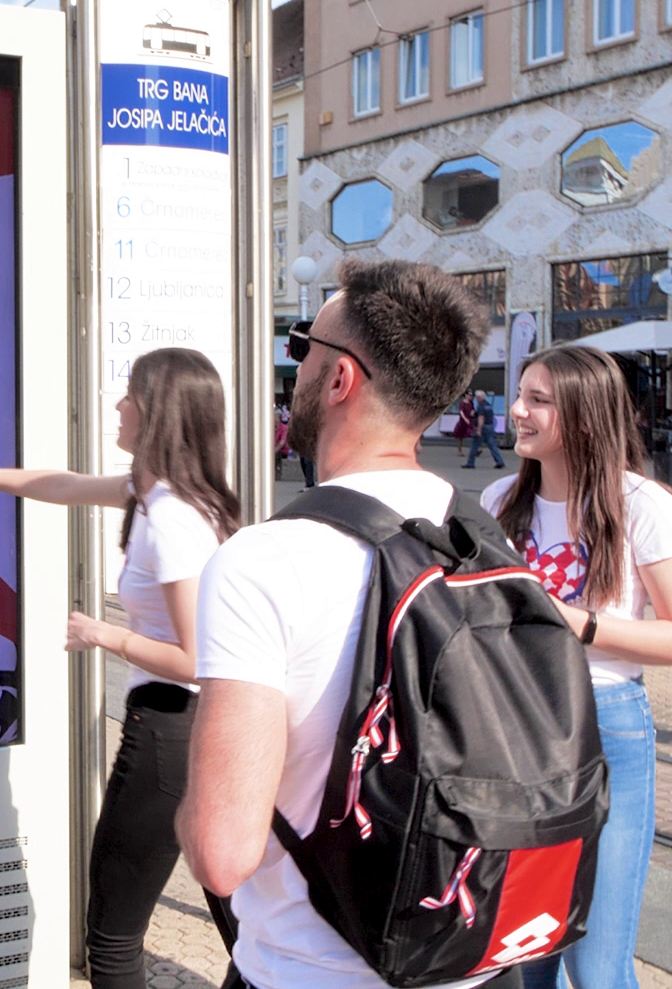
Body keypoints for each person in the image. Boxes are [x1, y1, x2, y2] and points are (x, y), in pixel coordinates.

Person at [177, 258, 491, 989]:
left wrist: (190, 802)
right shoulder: (482, 537)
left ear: (341, 379)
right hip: (471, 962)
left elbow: (222, 854)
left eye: (302, 348)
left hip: (312, 971)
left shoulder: (266, 559)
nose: (297, 372)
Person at [0, 347, 241, 989]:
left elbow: (196, 660)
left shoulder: (173, 518)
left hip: (171, 733)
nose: (117, 406)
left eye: (129, 395)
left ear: (158, 412)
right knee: (248, 926)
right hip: (187, 733)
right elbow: (60, 485)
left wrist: (102, 634)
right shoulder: (154, 494)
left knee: (113, 939)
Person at [484, 345, 672, 989]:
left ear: (584, 419)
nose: (517, 411)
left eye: (537, 400)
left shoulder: (644, 505)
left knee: (596, 962)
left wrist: (575, 620)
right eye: (520, 394)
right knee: (526, 954)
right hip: (518, 726)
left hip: (606, 723)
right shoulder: (502, 497)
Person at [462, 388, 504, 469]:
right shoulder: (488, 405)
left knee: (474, 445)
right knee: (492, 445)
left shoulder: (481, 406)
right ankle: (500, 461)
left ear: (479, 397)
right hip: (490, 427)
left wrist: (479, 430)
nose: (476, 399)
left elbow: (481, 418)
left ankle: (470, 463)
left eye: (477, 397)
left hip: (483, 427)